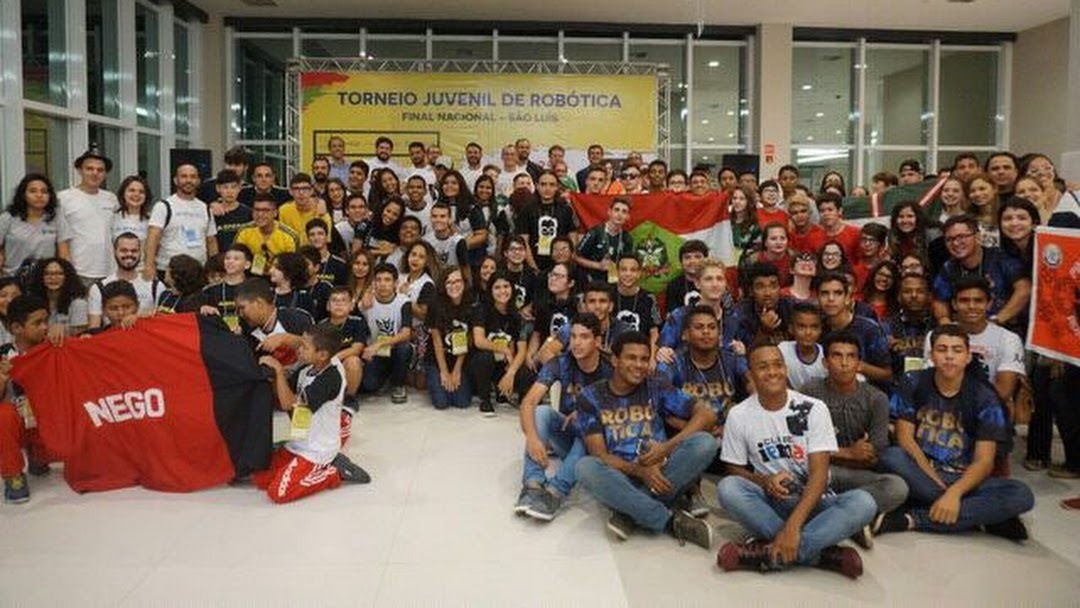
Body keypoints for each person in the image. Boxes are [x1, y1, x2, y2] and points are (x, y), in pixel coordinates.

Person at [716, 341, 876, 578]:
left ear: (786, 369)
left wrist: (792, 527)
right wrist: (764, 481)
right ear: (751, 375)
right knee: (728, 488)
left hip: (813, 502)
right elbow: (734, 468)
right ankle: (820, 554)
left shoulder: (814, 408)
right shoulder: (739, 415)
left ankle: (768, 553)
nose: (772, 372)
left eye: (777, 365)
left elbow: (819, 475)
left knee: (864, 503)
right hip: (771, 502)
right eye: (763, 367)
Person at [877, 325, 1034, 540]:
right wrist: (934, 479)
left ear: (968, 357)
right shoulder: (913, 380)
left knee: (1022, 494)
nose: (949, 356)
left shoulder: (985, 396)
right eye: (942, 349)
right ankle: (979, 515)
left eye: (957, 350)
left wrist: (954, 493)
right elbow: (904, 438)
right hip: (920, 472)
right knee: (891, 456)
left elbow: (984, 461)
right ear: (931, 355)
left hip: (963, 478)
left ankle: (913, 518)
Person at [574, 331, 717, 548]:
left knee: (705, 443)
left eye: (644, 359)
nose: (639, 365)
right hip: (621, 477)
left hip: (663, 472)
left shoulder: (656, 385)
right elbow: (600, 455)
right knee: (585, 467)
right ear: (615, 360)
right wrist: (640, 472)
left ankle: (629, 511)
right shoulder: (590, 396)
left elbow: (707, 415)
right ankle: (669, 521)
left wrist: (666, 448)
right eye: (631, 358)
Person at [801, 332, 909, 526]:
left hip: (857, 475)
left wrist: (856, 456)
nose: (844, 363)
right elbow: (799, 446)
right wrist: (848, 453)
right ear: (825, 363)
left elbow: (874, 453)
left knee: (897, 486)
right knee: (793, 476)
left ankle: (831, 509)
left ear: (859, 364)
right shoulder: (809, 392)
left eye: (851, 356)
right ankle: (852, 516)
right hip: (818, 471)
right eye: (837, 356)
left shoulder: (877, 398)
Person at [255, 324, 371, 503]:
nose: (299, 350)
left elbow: (288, 403)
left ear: (323, 355)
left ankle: (333, 472)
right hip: (299, 441)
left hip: (317, 450)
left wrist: (278, 371)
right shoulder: (307, 369)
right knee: (260, 479)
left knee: (278, 493)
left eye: (304, 347)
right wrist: (275, 377)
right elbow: (286, 396)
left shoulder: (329, 378)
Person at [516, 313, 614, 521]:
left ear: (597, 341)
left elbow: (619, 416)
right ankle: (532, 485)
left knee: (588, 423)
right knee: (541, 412)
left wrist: (587, 412)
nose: (576, 343)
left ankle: (555, 492)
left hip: (597, 447)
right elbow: (528, 402)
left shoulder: (612, 368)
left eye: (584, 337)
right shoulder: (561, 362)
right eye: (573, 336)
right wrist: (533, 439)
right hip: (568, 436)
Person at [658, 305, 749, 511]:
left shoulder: (731, 359)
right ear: (685, 334)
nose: (706, 332)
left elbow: (752, 388)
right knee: (694, 442)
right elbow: (661, 403)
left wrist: (728, 428)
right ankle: (692, 491)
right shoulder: (673, 362)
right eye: (699, 327)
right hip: (688, 436)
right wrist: (697, 430)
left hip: (727, 435)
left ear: (719, 334)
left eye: (711, 327)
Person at [924, 277, 1025, 414]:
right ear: (954, 304)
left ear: (989, 304)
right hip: (943, 412)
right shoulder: (936, 336)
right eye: (964, 300)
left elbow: (1003, 392)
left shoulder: (1009, 339)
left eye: (978, 301)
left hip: (989, 413)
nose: (971, 306)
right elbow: (931, 384)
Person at [931, 215, 1030, 334]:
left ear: (977, 237)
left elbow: (1024, 289)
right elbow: (939, 300)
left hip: (1005, 328)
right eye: (949, 239)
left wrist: (996, 321)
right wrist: (946, 325)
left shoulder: (1001, 259)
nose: (956, 243)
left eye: (961, 237)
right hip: (965, 331)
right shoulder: (949, 267)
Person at [0, 294, 52, 502]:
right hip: (19, 425)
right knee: (3, 415)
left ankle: (38, 454)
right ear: (16, 328)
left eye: (47, 321)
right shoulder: (3, 357)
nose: (45, 327)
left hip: (48, 423)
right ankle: (13, 476)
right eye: (37, 323)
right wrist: (2, 380)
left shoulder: (54, 348)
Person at [817, 272, 892, 390]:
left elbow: (887, 374)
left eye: (838, 293)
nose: (831, 299)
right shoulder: (818, 328)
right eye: (824, 293)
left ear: (848, 298)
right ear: (817, 298)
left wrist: (859, 366)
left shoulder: (869, 329)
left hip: (866, 393)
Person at [144, 163, 219, 281]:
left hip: (199, 271)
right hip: (169, 271)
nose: (188, 180)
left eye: (192, 177)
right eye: (184, 176)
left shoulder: (205, 208)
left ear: (198, 181)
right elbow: (153, 238)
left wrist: (215, 268)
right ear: (175, 180)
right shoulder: (163, 206)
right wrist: (149, 265)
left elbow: (211, 241)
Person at [57, 148, 120, 285]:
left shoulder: (111, 199)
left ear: (105, 174)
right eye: (89, 169)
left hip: (109, 271)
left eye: (100, 170)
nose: (95, 173)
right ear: (80, 170)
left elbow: (115, 234)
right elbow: (62, 239)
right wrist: (67, 269)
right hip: (78, 271)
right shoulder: (64, 198)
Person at [470, 271, 527, 416]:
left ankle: (509, 393)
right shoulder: (481, 309)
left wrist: (511, 372)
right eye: (497, 287)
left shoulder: (517, 316)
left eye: (506, 286)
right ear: (490, 290)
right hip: (483, 361)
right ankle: (485, 399)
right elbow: (479, 341)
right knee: (484, 358)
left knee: (525, 370)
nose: (502, 291)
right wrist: (505, 350)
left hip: (504, 361)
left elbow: (521, 350)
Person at [358, 263, 411, 403]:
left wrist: (379, 344)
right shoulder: (366, 303)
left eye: (387, 280)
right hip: (375, 353)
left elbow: (406, 333)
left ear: (395, 283)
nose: (382, 284)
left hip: (395, 349)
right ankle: (387, 376)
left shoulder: (403, 302)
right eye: (379, 280)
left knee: (405, 348)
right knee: (369, 385)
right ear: (373, 283)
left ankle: (398, 385)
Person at [87, 233, 162, 328]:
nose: (129, 254)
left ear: (141, 253)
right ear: (114, 252)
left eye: (134, 251)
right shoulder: (98, 288)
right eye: (124, 250)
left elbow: (164, 322)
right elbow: (94, 328)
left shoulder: (156, 286)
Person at [515, 171, 578, 273]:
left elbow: (572, 237)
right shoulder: (527, 210)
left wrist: (568, 262)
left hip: (561, 265)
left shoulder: (565, 209)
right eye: (543, 184)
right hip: (534, 263)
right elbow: (524, 241)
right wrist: (533, 268)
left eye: (552, 184)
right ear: (537, 186)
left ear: (557, 187)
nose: (547, 188)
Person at [319, 287, 368, 412]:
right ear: (328, 306)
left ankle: (349, 398)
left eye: (343, 300)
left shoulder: (358, 322)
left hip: (347, 366)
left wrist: (335, 358)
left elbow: (357, 348)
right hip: (327, 366)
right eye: (334, 300)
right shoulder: (321, 325)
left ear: (351, 306)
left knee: (353, 360)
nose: (339, 304)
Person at [0, 173, 59, 276]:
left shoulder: (56, 218)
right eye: (33, 191)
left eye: (44, 191)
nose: (39, 195)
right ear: (23, 195)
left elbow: (64, 253)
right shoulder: (8, 218)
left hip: (46, 279)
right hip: (12, 278)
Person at [882, 272, 935, 380]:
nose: (914, 295)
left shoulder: (938, 326)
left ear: (929, 296)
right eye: (907, 291)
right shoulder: (886, 326)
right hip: (896, 384)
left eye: (920, 291)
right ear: (899, 297)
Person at [233, 193, 300, 277]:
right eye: (257, 210)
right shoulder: (244, 231)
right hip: (249, 277)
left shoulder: (289, 236)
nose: (260, 214)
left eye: (265, 210)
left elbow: (291, 267)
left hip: (281, 278)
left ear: (275, 213)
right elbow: (235, 259)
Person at [576, 196, 633, 284]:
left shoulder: (627, 237)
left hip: (615, 283)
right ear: (609, 212)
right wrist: (598, 266)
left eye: (624, 212)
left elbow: (628, 262)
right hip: (593, 282)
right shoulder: (595, 232)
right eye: (616, 210)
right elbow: (576, 257)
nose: (619, 214)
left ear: (628, 217)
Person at [613, 253, 661, 357]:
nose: (628, 274)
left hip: (640, 352)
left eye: (633, 270)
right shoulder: (607, 294)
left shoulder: (649, 298)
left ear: (639, 273)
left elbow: (654, 332)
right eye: (623, 270)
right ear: (617, 272)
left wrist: (652, 358)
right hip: (613, 350)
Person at [29, 258, 88, 338]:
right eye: (47, 274)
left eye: (59, 274)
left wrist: (63, 330)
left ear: (67, 277)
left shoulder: (78, 304)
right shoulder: (33, 303)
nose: (53, 278)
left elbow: (80, 334)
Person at [200, 244, 251, 333]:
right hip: (218, 334)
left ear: (247, 264)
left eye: (236, 259)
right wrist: (203, 308)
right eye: (227, 258)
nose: (230, 261)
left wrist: (244, 329)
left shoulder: (254, 289)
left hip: (246, 336)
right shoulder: (210, 290)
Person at [777, 302, 827, 389]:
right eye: (801, 327)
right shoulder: (783, 350)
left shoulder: (826, 355)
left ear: (821, 330)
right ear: (791, 329)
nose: (808, 332)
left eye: (814, 327)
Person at [279, 173, 332, 248]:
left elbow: (326, 242)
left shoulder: (321, 211)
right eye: (296, 189)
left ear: (311, 191)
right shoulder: (284, 211)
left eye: (305, 188)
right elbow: (283, 240)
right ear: (290, 191)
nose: (301, 193)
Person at [663, 240, 709, 315]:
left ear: (706, 259)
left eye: (697, 257)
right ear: (681, 262)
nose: (693, 261)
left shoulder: (715, 281)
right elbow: (672, 317)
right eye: (687, 257)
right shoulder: (674, 286)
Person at [817, 193, 861, 263]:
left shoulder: (855, 233)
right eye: (822, 211)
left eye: (830, 210)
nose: (826, 214)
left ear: (840, 211)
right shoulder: (815, 236)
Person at [112, 174, 152, 244]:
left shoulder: (152, 220)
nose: (136, 194)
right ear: (123, 194)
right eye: (132, 190)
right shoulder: (112, 218)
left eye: (141, 192)